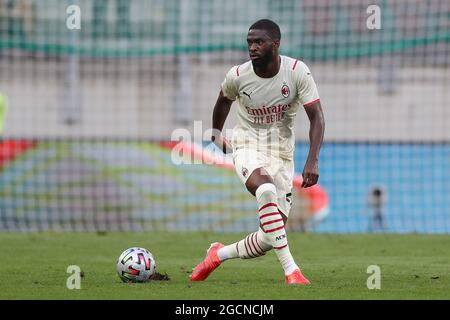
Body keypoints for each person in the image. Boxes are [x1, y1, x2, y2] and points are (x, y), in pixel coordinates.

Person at [190, 19, 325, 285]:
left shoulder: (297, 71)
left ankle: (218, 254)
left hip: (282, 154)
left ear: (275, 44)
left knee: (269, 236)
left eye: (259, 42)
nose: (252, 47)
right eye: (250, 42)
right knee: (265, 190)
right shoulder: (238, 76)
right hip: (247, 145)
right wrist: (216, 134)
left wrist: (313, 160)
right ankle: (292, 271)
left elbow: (317, 117)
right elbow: (222, 102)